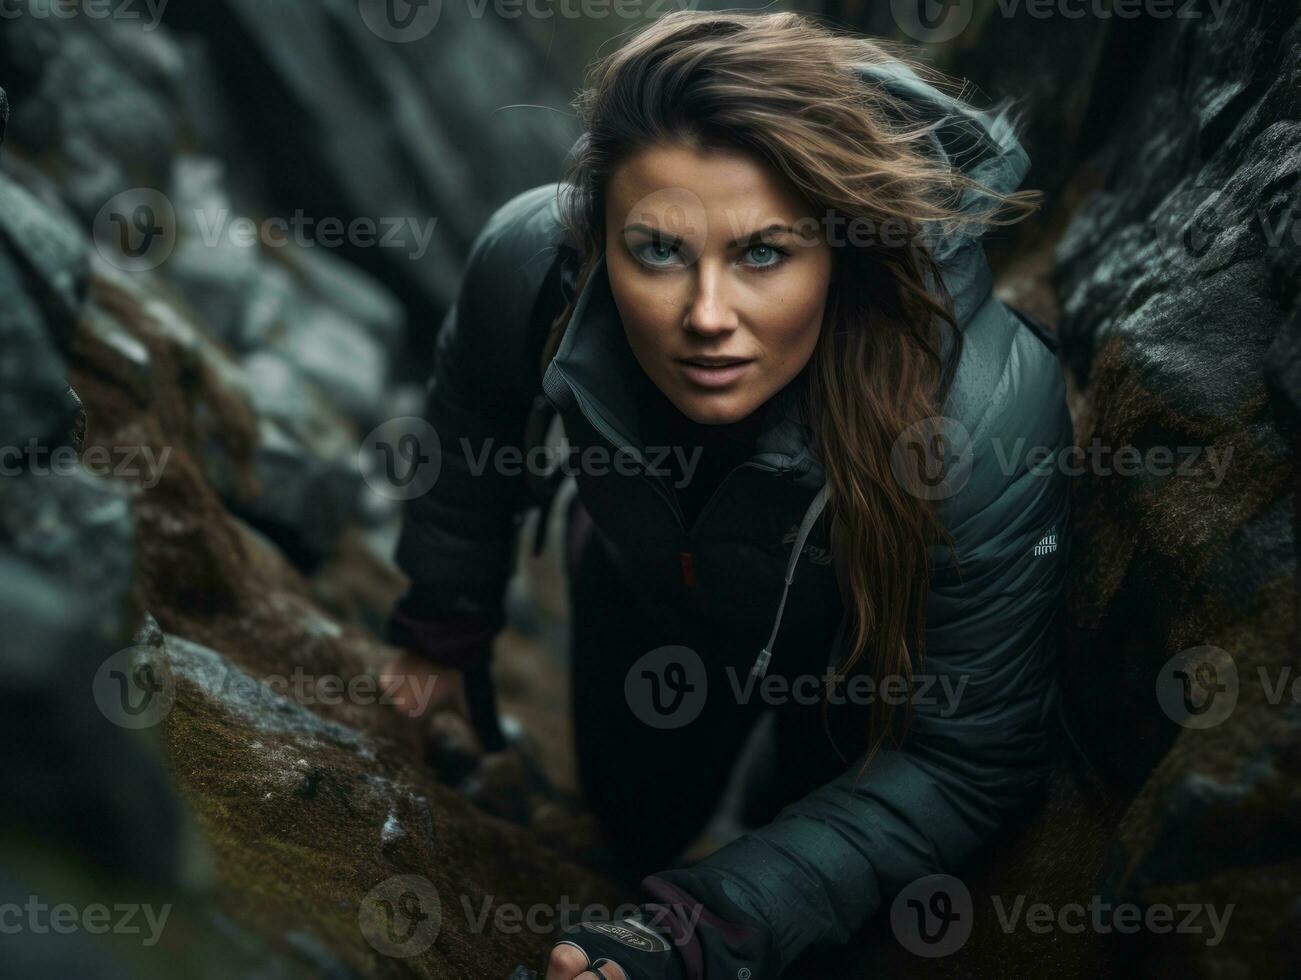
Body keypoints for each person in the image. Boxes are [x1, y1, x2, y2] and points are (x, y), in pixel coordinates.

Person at [380, 11, 1072, 979]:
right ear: (595, 236)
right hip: (645, 593)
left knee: (804, 857)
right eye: (657, 251)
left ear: (841, 239)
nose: (707, 318)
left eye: (762, 253)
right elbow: (472, 414)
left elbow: (961, 759)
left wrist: (695, 931)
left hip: (854, 671)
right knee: (629, 824)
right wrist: (442, 624)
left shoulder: (979, 416)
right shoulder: (534, 260)